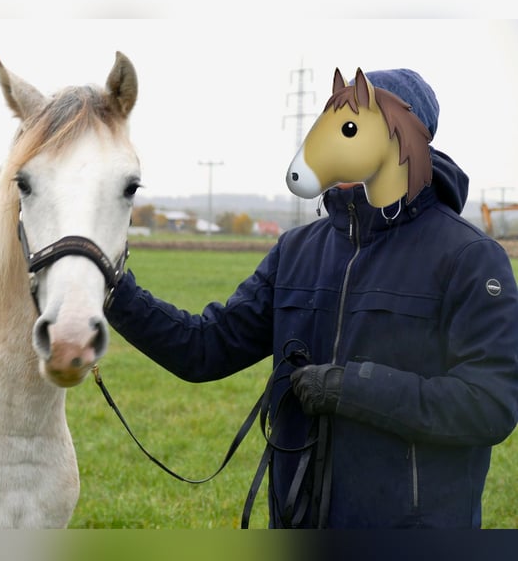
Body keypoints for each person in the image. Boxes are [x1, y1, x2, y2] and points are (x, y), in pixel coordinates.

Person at [104, 68, 518, 528]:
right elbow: (206, 349)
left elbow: (491, 405)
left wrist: (352, 388)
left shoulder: (470, 258)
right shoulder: (296, 251)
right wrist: (113, 291)